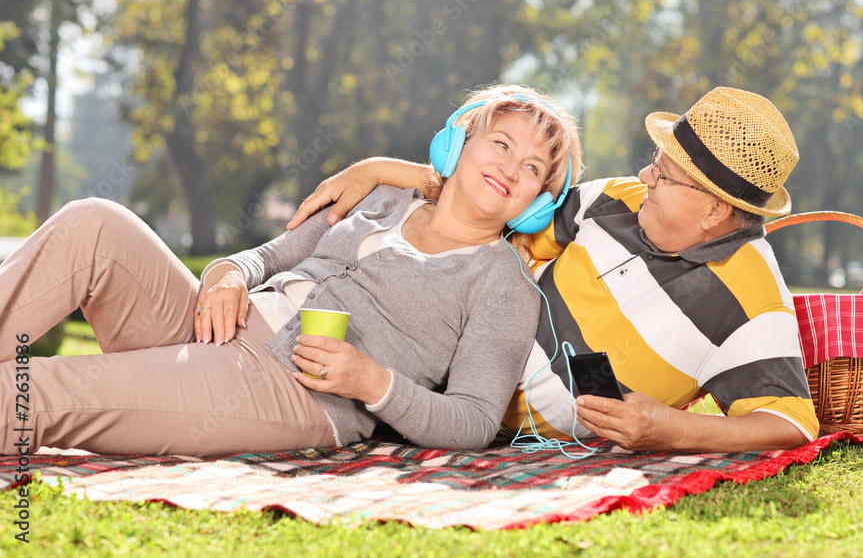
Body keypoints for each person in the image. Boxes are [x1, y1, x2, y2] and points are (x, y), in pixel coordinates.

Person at [0, 84, 583, 457]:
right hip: (213, 325)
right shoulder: (378, 198)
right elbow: (268, 257)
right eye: (501, 143)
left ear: (535, 203)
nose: (511, 166)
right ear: (457, 144)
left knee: (44, 388)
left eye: (533, 167)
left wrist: (373, 384)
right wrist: (227, 272)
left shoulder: (503, 285)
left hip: (285, 390)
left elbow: (476, 421)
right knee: (94, 223)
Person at [289, 87, 820, 452]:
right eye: (653, 163)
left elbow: (791, 423)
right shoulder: (617, 199)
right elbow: (499, 201)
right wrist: (380, 170)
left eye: (664, 174)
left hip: (457, 418)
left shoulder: (751, 297)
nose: (644, 176)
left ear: (713, 210)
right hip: (426, 366)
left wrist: (669, 429)